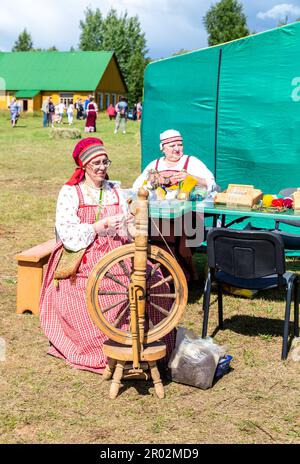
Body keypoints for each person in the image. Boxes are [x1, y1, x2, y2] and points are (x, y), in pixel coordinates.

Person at [39, 137, 174, 373]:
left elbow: (127, 223)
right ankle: (110, 348)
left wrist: (132, 227)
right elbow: (67, 233)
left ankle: (148, 342)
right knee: (106, 294)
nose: (102, 167)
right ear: (83, 166)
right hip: (84, 253)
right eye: (96, 163)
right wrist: (98, 227)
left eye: (105, 162)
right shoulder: (71, 192)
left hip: (119, 250)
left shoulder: (114, 190)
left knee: (153, 283)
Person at [132, 129, 216, 281]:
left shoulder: (192, 162)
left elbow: (212, 185)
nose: (177, 149)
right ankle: (172, 277)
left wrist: (192, 178)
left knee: (182, 240)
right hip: (160, 216)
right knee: (164, 237)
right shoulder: (155, 165)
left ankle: (184, 276)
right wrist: (152, 181)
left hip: (189, 216)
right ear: (162, 148)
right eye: (172, 145)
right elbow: (137, 189)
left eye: (180, 144)